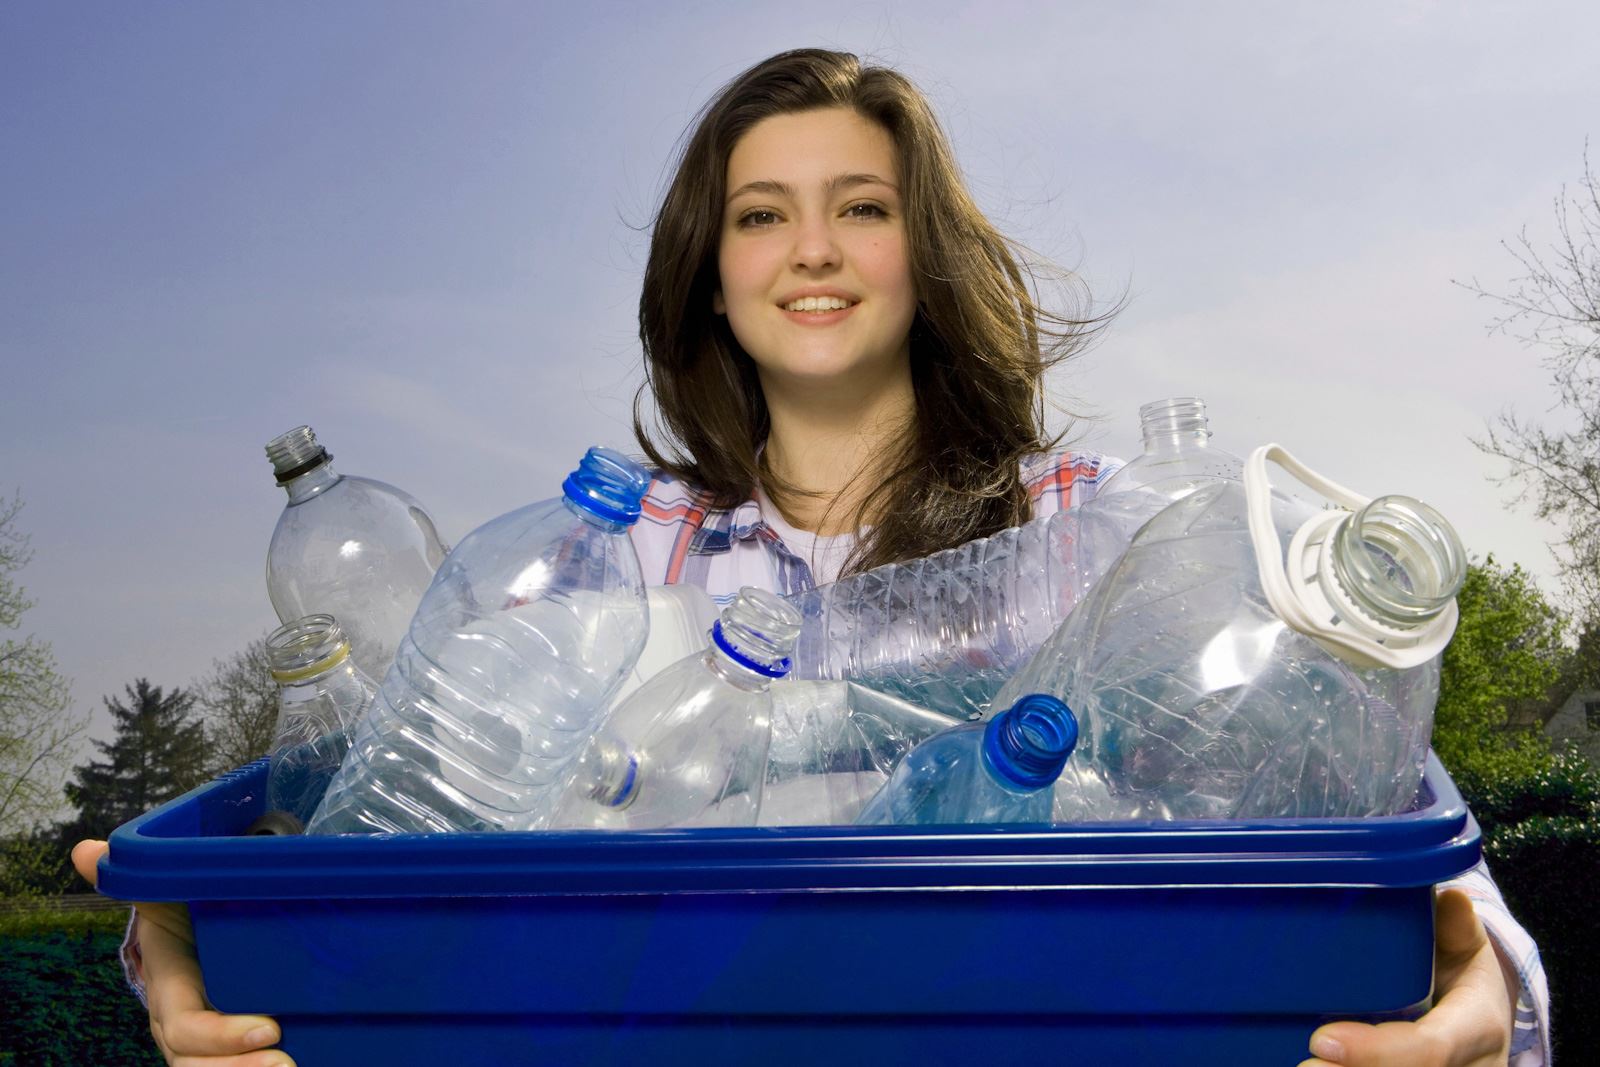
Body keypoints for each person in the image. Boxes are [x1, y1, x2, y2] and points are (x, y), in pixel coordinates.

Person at [73, 47, 1549, 1067]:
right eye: (762, 216)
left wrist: (1484, 984)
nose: (814, 250)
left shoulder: (1095, 523)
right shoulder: (611, 560)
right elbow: (407, 836)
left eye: (864, 207)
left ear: (929, 254)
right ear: (709, 277)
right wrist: (185, 952)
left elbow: (1355, 799)